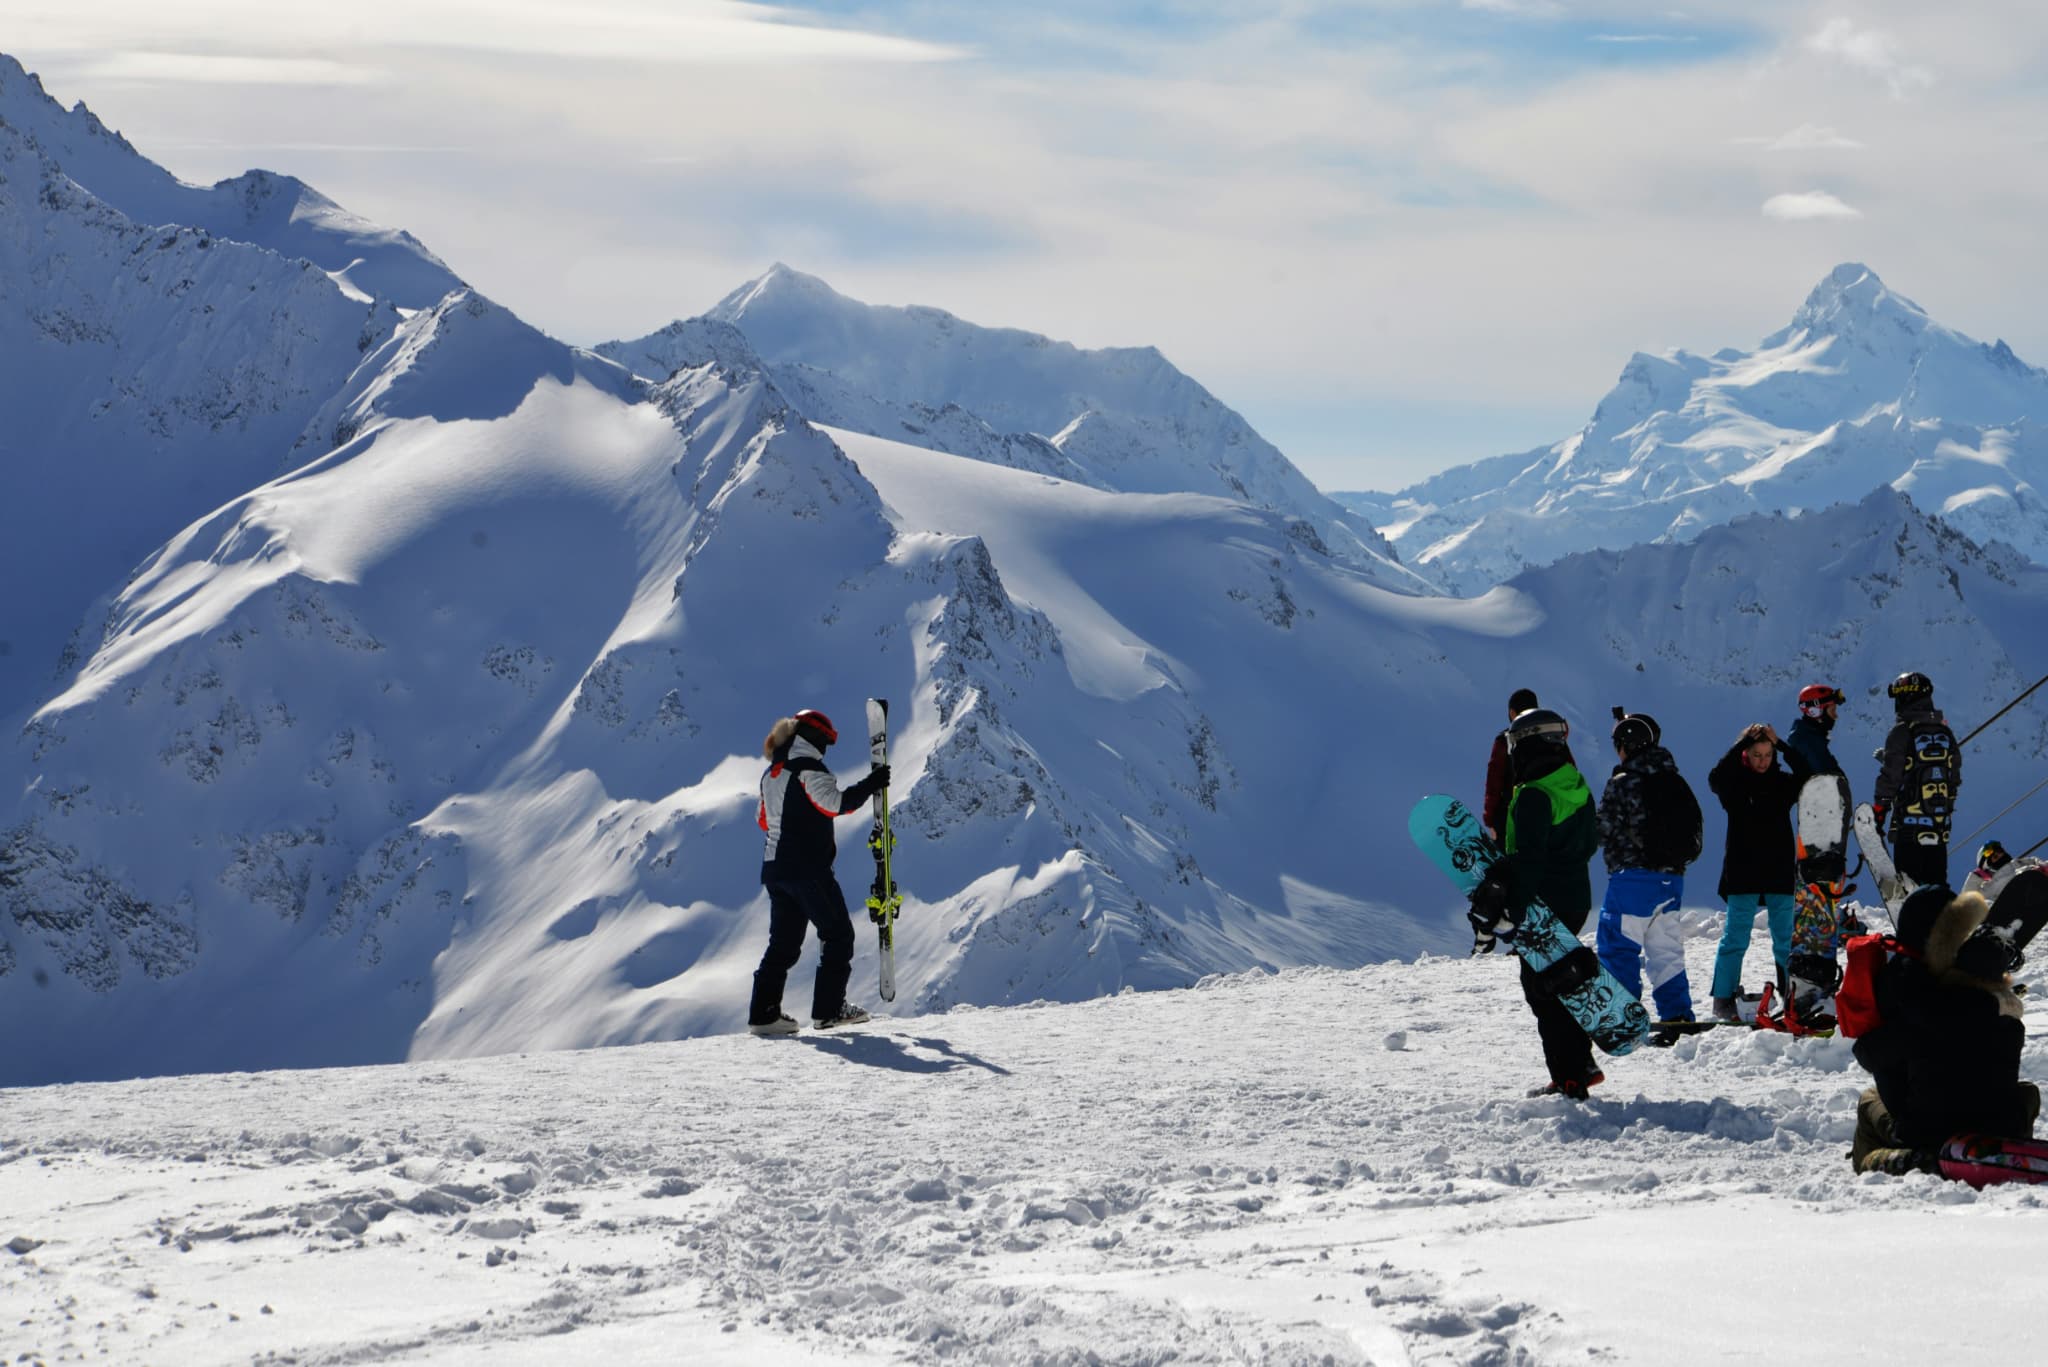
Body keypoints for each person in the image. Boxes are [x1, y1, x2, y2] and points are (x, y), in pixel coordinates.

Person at [1849, 884, 2038, 1175]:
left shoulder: (1910, 987)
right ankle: (2003, 1151)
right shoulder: (1994, 996)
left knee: (1868, 1102)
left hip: (1927, 1134)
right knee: (2027, 1094)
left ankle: (1877, 1167)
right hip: (1998, 1127)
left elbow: (1872, 1054)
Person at [1468, 707, 1603, 1097]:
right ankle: (1582, 1064)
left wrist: (1512, 910)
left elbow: (1529, 859)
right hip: (1577, 898)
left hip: (1545, 904)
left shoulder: (1533, 795)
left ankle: (1569, 1078)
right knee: (1563, 982)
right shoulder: (1573, 782)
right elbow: (1590, 841)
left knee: (1542, 989)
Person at [748, 708, 890, 1035]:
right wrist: (873, 784)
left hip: (775, 870)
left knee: (783, 944)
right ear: (813, 737)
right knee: (838, 934)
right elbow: (835, 804)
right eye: (827, 740)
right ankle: (828, 1010)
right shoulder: (810, 769)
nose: (827, 747)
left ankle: (763, 1015)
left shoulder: (773, 773)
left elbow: (763, 820)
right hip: (808, 869)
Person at [1594, 707, 1703, 1023]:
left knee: (1618, 945)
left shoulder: (1623, 782)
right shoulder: (1674, 780)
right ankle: (1677, 1014)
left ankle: (1622, 1015)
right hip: (1671, 881)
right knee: (1666, 951)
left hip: (1632, 879)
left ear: (1626, 744)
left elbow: (1604, 829)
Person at [1705, 722, 1813, 1020]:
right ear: (1746, 755)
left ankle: (1790, 994)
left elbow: (1808, 776)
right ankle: (1723, 999)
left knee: (1785, 939)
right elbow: (1715, 778)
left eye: (1767, 754)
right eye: (1756, 754)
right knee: (1735, 938)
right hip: (1743, 872)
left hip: (1778, 871)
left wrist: (1782, 745)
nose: (1763, 760)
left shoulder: (1782, 783)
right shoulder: (1734, 784)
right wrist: (1741, 743)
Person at [1873, 671, 1962, 890]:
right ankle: (1940, 920)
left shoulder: (1901, 732)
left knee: (1910, 886)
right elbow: (1954, 776)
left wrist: (1879, 809)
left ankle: (1915, 921)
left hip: (1909, 827)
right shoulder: (1945, 732)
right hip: (1939, 826)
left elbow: (1891, 776)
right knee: (1937, 884)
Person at [1483, 688, 1543, 843]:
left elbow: (1493, 783)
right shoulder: (1553, 737)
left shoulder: (1505, 740)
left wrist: (1490, 818)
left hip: (1512, 817)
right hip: (1549, 817)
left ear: (1512, 713)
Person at [1785, 683, 1845, 777]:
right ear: (1814, 712)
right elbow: (1832, 787)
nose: (1836, 716)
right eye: (1832, 710)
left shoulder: (1811, 739)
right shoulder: (1810, 745)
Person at [1963, 840, 2044, 902]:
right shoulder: (1991, 886)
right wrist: (1976, 876)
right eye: (1995, 857)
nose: (1999, 856)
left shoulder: (2024, 863)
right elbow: (1968, 902)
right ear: (1989, 866)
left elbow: (2042, 864)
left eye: (2000, 852)